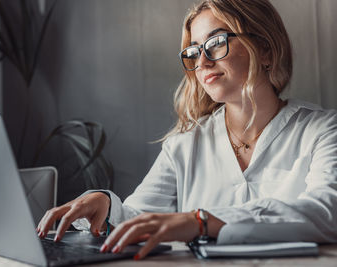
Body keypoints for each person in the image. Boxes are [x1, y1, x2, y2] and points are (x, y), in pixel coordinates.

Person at [37, 0, 337, 260]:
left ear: (266, 49)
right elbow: (140, 217)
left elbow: (326, 211)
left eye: (217, 43)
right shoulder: (184, 145)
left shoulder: (324, 130)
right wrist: (104, 203)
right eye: (194, 51)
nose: (202, 61)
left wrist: (201, 221)